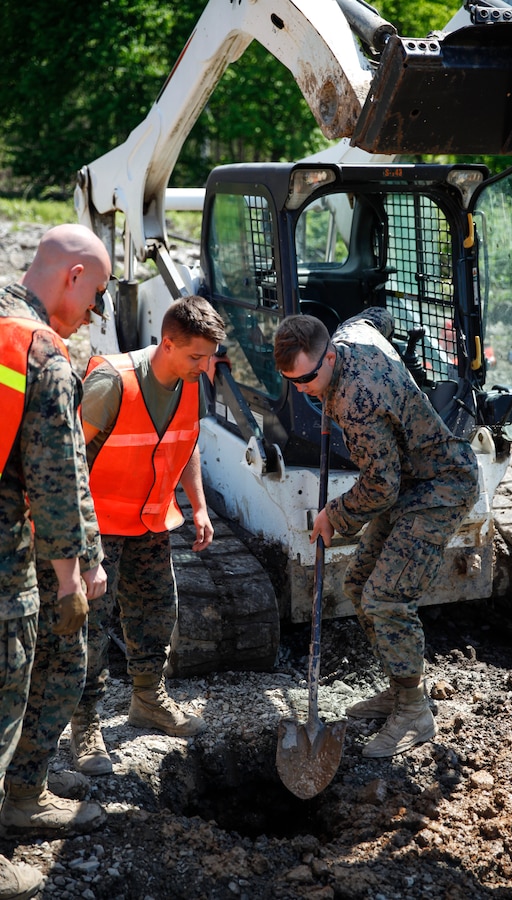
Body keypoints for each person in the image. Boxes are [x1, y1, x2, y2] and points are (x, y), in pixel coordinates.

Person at [273, 308, 479, 759]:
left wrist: (335, 514)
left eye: (307, 378)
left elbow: (379, 489)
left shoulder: (356, 403)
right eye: (291, 381)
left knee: (385, 598)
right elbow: (378, 317)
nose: (302, 389)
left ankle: (414, 711)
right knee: (358, 584)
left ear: (328, 358)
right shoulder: (352, 331)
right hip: (408, 479)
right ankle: (398, 685)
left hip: (440, 485)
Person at [70, 295, 226, 776]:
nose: (204, 366)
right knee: (89, 628)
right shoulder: (110, 382)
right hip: (97, 529)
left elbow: (187, 442)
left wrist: (197, 505)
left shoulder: (191, 381)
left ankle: (148, 700)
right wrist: (74, 540)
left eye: (209, 356)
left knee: (158, 610)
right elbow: (67, 459)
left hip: (150, 522)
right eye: (196, 356)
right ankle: (84, 723)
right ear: (168, 343)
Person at [0, 224, 111, 899]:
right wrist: (71, 578)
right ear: (71, 276)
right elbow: (59, 480)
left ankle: (22, 794)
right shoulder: (40, 351)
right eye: (96, 292)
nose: (94, 310)